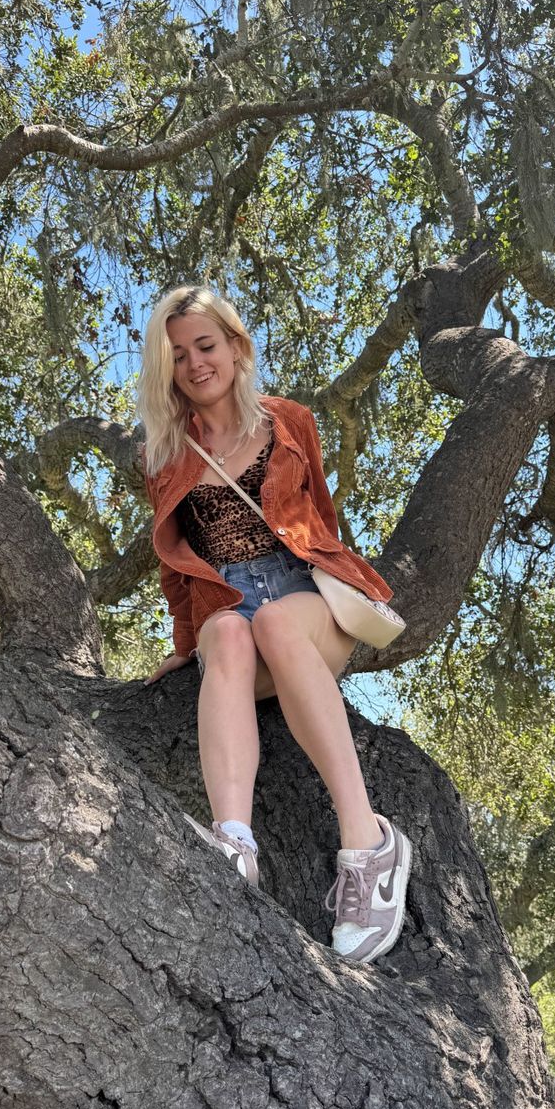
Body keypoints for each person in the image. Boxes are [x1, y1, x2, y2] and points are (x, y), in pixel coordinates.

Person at [138, 284, 411, 965]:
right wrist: (183, 645)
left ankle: (369, 844)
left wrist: (344, 583)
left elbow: (321, 517)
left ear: (235, 346)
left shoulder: (289, 420)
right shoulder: (165, 454)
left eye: (205, 345)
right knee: (235, 631)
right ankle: (233, 844)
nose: (195, 363)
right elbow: (175, 566)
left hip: (303, 599)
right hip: (226, 603)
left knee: (278, 625)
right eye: (178, 356)